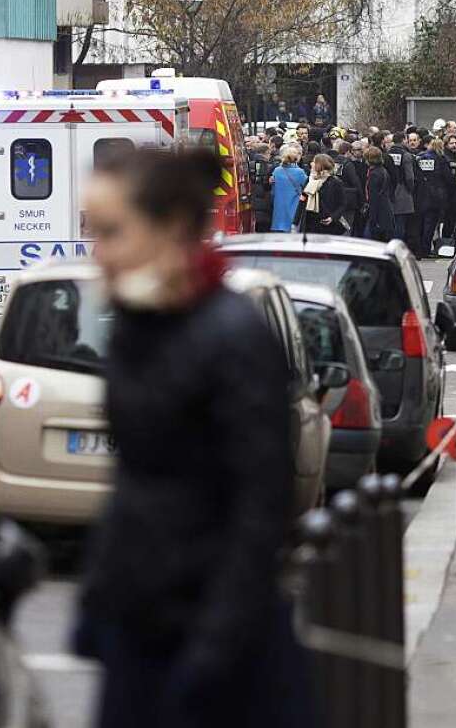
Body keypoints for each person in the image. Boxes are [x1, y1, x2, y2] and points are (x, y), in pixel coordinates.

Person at [74, 148, 311, 728]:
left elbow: (259, 508)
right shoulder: (138, 324)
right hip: (143, 623)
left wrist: (215, 647)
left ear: (173, 228)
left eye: (110, 232)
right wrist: (100, 600)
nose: (96, 252)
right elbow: (137, 480)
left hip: (215, 641)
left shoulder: (233, 336)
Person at [415, 137, 454, 258]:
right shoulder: (441, 159)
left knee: (420, 223)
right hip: (436, 196)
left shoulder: (420, 158)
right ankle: (426, 249)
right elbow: (448, 179)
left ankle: (419, 248)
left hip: (420, 195)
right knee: (430, 225)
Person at [299, 153, 346, 235]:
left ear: (320, 165)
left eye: (314, 162)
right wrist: (295, 222)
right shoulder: (310, 180)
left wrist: (332, 217)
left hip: (326, 224)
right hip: (309, 223)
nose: (311, 163)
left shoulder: (335, 182)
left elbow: (342, 204)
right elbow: (302, 200)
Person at [386, 132, 417, 246]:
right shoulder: (406, 155)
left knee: (391, 222)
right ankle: (397, 247)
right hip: (402, 191)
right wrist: (411, 189)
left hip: (389, 191)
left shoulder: (387, 154)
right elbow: (409, 177)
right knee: (401, 223)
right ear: (404, 140)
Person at [269, 145, 306, 233]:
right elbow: (307, 186)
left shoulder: (276, 171)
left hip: (279, 207)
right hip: (294, 206)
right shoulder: (300, 172)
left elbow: (273, 190)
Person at [362, 145, 395, 242]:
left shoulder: (374, 174)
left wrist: (372, 217)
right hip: (385, 209)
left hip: (378, 212)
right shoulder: (382, 171)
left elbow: (374, 197)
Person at [333, 140, 362, 231]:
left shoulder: (334, 162)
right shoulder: (348, 164)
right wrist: (362, 198)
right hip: (348, 199)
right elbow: (355, 182)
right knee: (347, 226)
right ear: (348, 152)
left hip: (335, 198)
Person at [248, 141, 274, 232]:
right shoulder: (270, 167)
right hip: (265, 203)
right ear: (266, 153)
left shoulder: (249, 165)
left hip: (252, 201)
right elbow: (268, 185)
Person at [442, 134, 456, 241]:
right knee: (448, 221)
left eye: (455, 143)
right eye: (451, 143)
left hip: (453, 195)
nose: (454, 145)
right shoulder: (445, 157)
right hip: (448, 195)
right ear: (446, 144)